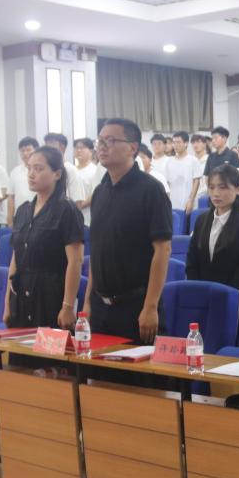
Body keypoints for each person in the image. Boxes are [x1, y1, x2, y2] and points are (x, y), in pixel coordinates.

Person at [85, 118, 173, 356]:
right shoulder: (100, 192)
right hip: (100, 308)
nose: (102, 146)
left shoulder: (151, 190)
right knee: (99, 377)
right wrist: (88, 302)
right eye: (100, 141)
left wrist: (150, 306)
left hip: (136, 306)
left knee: (135, 377)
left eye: (110, 140)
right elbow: (97, 251)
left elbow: (163, 250)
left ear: (132, 148)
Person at [3, 146, 84, 331]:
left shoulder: (67, 210)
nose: (31, 174)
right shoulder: (23, 210)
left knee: (48, 347)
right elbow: (15, 259)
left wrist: (68, 307)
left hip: (50, 296)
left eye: (39, 169)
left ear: (57, 174)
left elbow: (75, 261)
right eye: (29, 168)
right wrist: (7, 303)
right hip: (21, 296)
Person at [186, 165, 239, 292]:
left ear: (238, 190)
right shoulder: (201, 220)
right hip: (200, 293)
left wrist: (226, 294)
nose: (216, 193)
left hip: (231, 295)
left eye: (222, 187)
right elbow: (192, 261)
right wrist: (197, 290)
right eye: (211, 187)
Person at [43, 133, 92, 208]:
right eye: (46, 144)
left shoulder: (70, 169)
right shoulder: (46, 169)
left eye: (52, 144)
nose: (47, 148)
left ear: (62, 148)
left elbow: (77, 202)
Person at [164, 131, 203, 214]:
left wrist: (191, 200)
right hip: (173, 203)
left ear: (186, 143)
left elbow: (196, 182)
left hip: (188, 203)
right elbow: (168, 184)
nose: (175, 145)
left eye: (178, 142)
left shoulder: (193, 160)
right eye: (174, 142)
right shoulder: (169, 161)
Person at [7, 137, 38, 227]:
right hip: (19, 218)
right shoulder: (15, 171)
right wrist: (9, 220)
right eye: (22, 151)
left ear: (36, 150)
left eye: (28, 150)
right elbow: (11, 198)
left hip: (39, 215)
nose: (25, 153)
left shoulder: (41, 169)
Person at [73, 138, 104, 226]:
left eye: (82, 148)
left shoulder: (95, 170)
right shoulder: (72, 170)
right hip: (72, 218)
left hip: (87, 219)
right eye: (76, 148)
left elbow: (96, 193)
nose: (78, 150)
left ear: (91, 151)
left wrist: (79, 206)